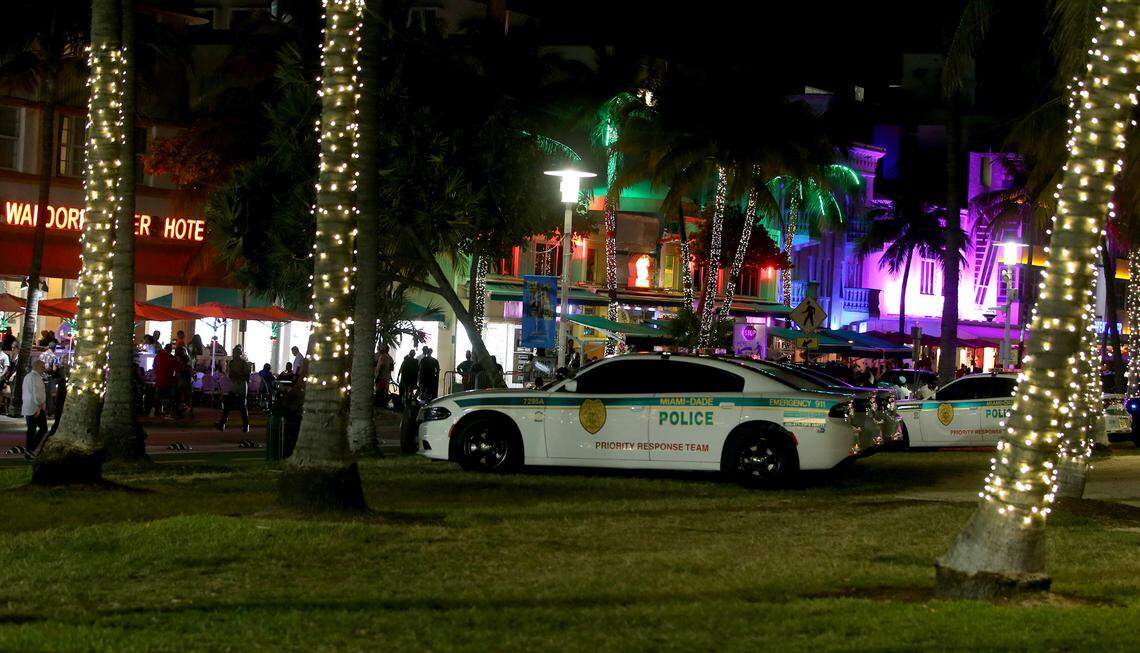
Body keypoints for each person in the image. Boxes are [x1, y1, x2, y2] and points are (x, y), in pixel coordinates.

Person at [217, 344, 252, 432]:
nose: (235, 354)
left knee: (242, 406)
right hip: (236, 384)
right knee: (229, 404)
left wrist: (237, 376)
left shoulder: (244, 363)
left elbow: (246, 376)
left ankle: (245, 425)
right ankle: (223, 423)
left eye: (236, 352)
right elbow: (231, 374)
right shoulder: (232, 363)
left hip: (241, 385)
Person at [21, 359, 47, 455]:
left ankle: (29, 449)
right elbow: (37, 394)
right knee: (43, 428)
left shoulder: (27, 376)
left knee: (31, 429)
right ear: (38, 367)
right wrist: (40, 406)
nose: (44, 369)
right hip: (35, 408)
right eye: (43, 367)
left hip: (27, 406)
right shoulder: (36, 378)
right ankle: (31, 448)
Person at [152, 343, 179, 417]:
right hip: (168, 380)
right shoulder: (171, 357)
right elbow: (177, 368)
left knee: (158, 397)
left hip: (159, 379)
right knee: (169, 397)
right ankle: (167, 412)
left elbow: (154, 366)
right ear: (170, 349)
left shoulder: (158, 356)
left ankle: (157, 411)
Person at [174, 346, 193, 418]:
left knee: (181, 398)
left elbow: (177, 374)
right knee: (189, 397)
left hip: (181, 383)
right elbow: (192, 374)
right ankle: (190, 411)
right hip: (187, 382)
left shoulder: (179, 366)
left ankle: (180, 411)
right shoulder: (188, 367)